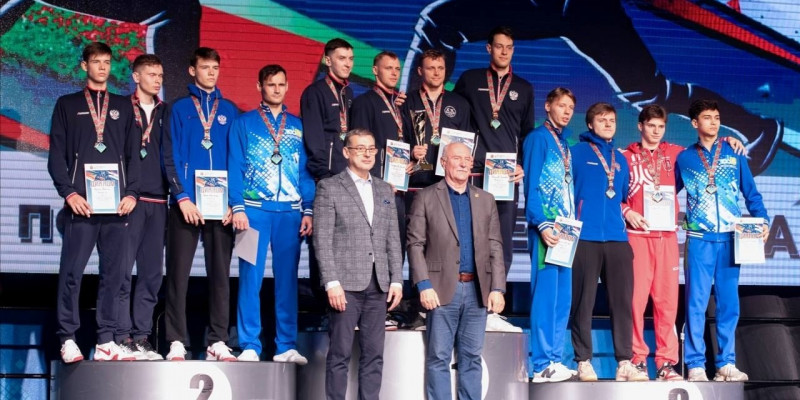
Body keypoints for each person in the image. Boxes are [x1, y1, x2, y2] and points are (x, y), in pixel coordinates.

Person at [622, 104, 747, 380]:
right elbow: (615, 194)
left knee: (668, 303)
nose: (656, 131)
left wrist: (728, 139)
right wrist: (626, 211)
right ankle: (638, 360)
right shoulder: (625, 157)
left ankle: (666, 363)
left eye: (661, 126)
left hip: (668, 237)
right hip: (639, 236)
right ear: (640, 126)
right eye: (651, 125)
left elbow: (708, 147)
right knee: (636, 301)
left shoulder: (678, 154)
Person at [48, 41, 139, 362]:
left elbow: (134, 155)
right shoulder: (67, 104)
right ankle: (68, 338)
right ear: (84, 65)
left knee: (114, 275)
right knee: (72, 273)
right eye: (96, 61)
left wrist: (132, 193)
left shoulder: (123, 106)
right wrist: (69, 193)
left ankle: (105, 340)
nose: (102, 67)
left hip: (116, 207)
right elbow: (56, 156)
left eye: (107, 62)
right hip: (82, 205)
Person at [676, 99, 770, 382]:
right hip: (699, 239)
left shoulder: (734, 152)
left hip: (731, 238)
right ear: (695, 123)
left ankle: (726, 363)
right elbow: (666, 192)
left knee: (729, 303)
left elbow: (751, 193)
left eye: (717, 117)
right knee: (696, 304)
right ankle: (695, 364)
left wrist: (763, 219)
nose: (714, 122)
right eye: (707, 117)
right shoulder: (684, 158)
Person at [228, 64, 315, 364]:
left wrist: (308, 208)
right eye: (270, 84)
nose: (276, 89)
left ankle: (285, 346)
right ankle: (249, 345)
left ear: (287, 86)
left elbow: (305, 172)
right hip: (252, 213)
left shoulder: (298, 126)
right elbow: (234, 166)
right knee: (249, 278)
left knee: (287, 280)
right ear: (259, 87)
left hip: (289, 214)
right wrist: (237, 206)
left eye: (281, 84)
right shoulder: (243, 123)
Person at [407, 142, 506, 400]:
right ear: (443, 163)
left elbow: (495, 245)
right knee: (438, 357)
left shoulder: (486, 199)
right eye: (456, 158)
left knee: (472, 357)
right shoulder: (426, 196)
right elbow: (415, 244)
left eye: (467, 159)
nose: (463, 163)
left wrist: (497, 288)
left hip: (477, 291)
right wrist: (423, 285)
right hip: (439, 289)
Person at [313, 129, 403, 400]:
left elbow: (392, 238)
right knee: (339, 354)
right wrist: (331, 282)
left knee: (374, 355)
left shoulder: (385, 189)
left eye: (371, 148)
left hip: (379, 285)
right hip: (345, 286)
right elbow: (322, 239)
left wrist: (397, 279)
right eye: (360, 148)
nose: (366, 154)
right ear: (346, 152)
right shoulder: (329, 187)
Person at [453, 25, 532, 332]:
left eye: (509, 47)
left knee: (502, 242)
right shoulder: (470, 80)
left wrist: (522, 165)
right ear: (489, 48)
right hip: (475, 174)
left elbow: (526, 134)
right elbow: (453, 118)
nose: (504, 52)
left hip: (506, 177)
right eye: (499, 46)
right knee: (469, 238)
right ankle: (463, 303)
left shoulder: (523, 88)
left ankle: (493, 306)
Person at [164, 47, 239, 361]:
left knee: (220, 275)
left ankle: (217, 340)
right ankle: (176, 340)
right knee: (177, 274)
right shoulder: (179, 108)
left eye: (215, 68)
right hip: (186, 205)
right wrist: (181, 197)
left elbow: (237, 159)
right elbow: (170, 155)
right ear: (192, 70)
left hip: (221, 207)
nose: (211, 73)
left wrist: (234, 203)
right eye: (205, 67)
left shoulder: (230, 110)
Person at [569, 102, 647, 381]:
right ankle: (583, 361)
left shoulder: (620, 159)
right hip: (585, 237)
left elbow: (622, 194)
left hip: (617, 238)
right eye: (602, 120)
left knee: (622, 302)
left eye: (612, 120)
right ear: (590, 124)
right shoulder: (576, 153)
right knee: (583, 302)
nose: (608, 124)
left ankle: (624, 361)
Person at [115, 54, 172, 360]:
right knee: (122, 271)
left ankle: (142, 336)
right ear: (136, 77)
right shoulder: (122, 109)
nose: (157, 80)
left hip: (159, 201)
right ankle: (121, 335)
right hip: (130, 201)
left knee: (151, 274)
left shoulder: (167, 112)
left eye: (160, 75)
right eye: (151, 74)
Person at [521, 87, 577, 382]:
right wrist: (540, 223)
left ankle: (555, 358)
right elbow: (531, 185)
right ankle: (541, 363)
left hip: (566, 229)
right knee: (545, 297)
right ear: (548, 106)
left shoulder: (564, 144)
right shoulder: (537, 139)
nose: (567, 112)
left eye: (570, 107)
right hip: (547, 228)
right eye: (562, 105)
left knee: (562, 298)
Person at [301, 38, 355, 180]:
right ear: (328, 61)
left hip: (346, 171)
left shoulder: (348, 92)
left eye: (351, 59)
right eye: (342, 58)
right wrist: (323, 173)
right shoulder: (315, 92)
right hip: (326, 174)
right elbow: (313, 136)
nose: (348, 64)